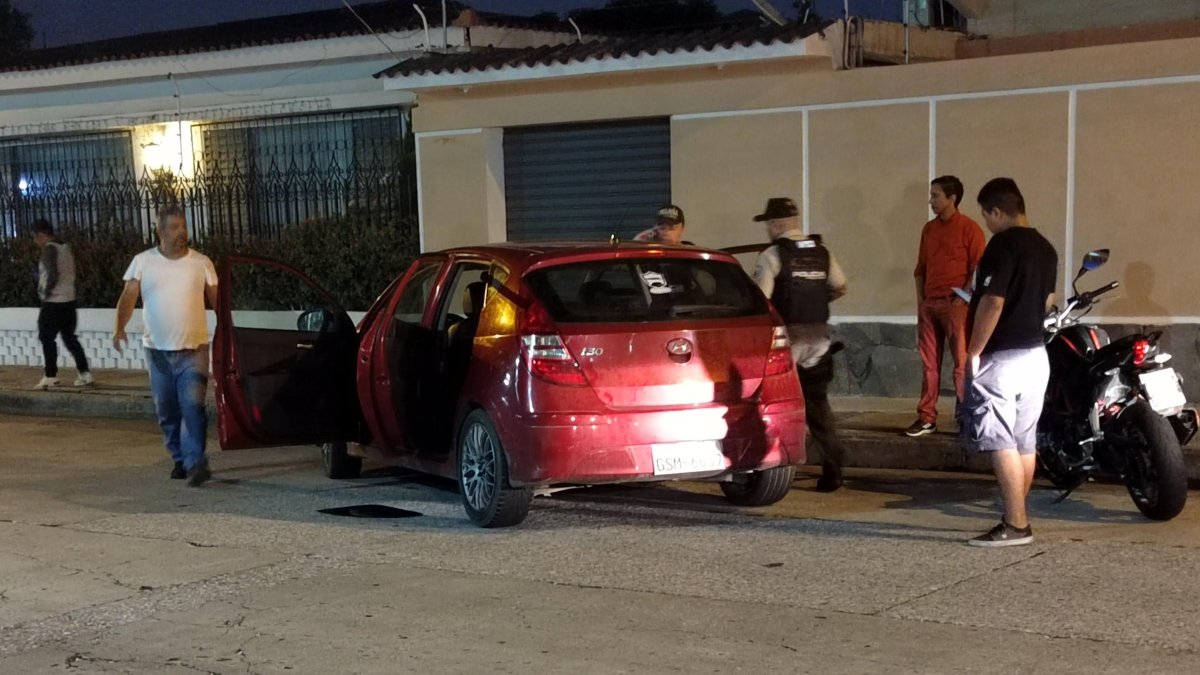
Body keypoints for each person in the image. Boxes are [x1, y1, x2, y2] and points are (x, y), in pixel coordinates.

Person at [961, 178, 1057, 547]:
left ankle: (1016, 525)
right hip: (1036, 355)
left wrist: (973, 351)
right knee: (1024, 442)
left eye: (986, 215)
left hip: (1003, 358)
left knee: (999, 439)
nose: (986, 222)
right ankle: (1015, 513)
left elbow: (992, 302)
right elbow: (1048, 300)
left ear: (997, 211)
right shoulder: (1046, 248)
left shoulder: (1002, 245)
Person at [113, 206, 218, 487]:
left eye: (183, 226)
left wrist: (230, 333)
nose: (181, 232)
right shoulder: (143, 262)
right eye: (173, 227)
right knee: (167, 410)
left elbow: (219, 301)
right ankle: (179, 458)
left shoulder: (202, 263)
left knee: (193, 406)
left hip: (194, 349)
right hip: (157, 352)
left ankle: (196, 461)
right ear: (160, 231)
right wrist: (119, 328)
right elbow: (128, 296)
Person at [750, 197, 849, 492]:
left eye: (768, 223)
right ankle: (834, 469)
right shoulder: (822, 252)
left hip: (787, 342)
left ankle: (772, 467)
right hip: (819, 340)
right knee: (818, 406)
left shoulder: (772, 255)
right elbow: (841, 286)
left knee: (773, 404)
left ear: (775, 224)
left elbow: (761, 300)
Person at [906, 176, 985, 437]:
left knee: (962, 364)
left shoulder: (969, 229)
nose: (931, 201)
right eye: (931, 195)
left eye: (936, 196)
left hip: (956, 306)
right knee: (929, 364)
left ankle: (965, 418)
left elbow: (978, 268)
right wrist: (922, 301)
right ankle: (926, 417)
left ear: (952, 198)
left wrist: (963, 298)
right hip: (930, 304)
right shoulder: (929, 229)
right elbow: (920, 268)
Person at [32, 219, 93, 390]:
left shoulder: (49, 249)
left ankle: (50, 375)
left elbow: (51, 274)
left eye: (35, 237)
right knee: (69, 337)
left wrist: (44, 293)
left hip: (53, 301)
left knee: (46, 337)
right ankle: (84, 373)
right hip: (69, 300)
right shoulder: (65, 248)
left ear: (42, 234)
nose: (35, 242)